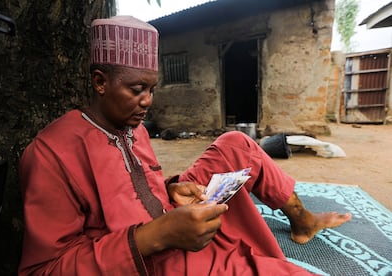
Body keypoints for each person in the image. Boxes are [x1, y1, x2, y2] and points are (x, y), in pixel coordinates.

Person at [18, 15, 352, 275]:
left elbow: (132, 188)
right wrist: (155, 237)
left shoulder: (133, 126)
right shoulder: (51, 155)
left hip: (176, 222)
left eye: (152, 88)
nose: (147, 101)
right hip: (156, 263)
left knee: (236, 144)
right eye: (136, 89)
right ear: (100, 82)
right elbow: (44, 269)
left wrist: (171, 188)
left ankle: (302, 220)